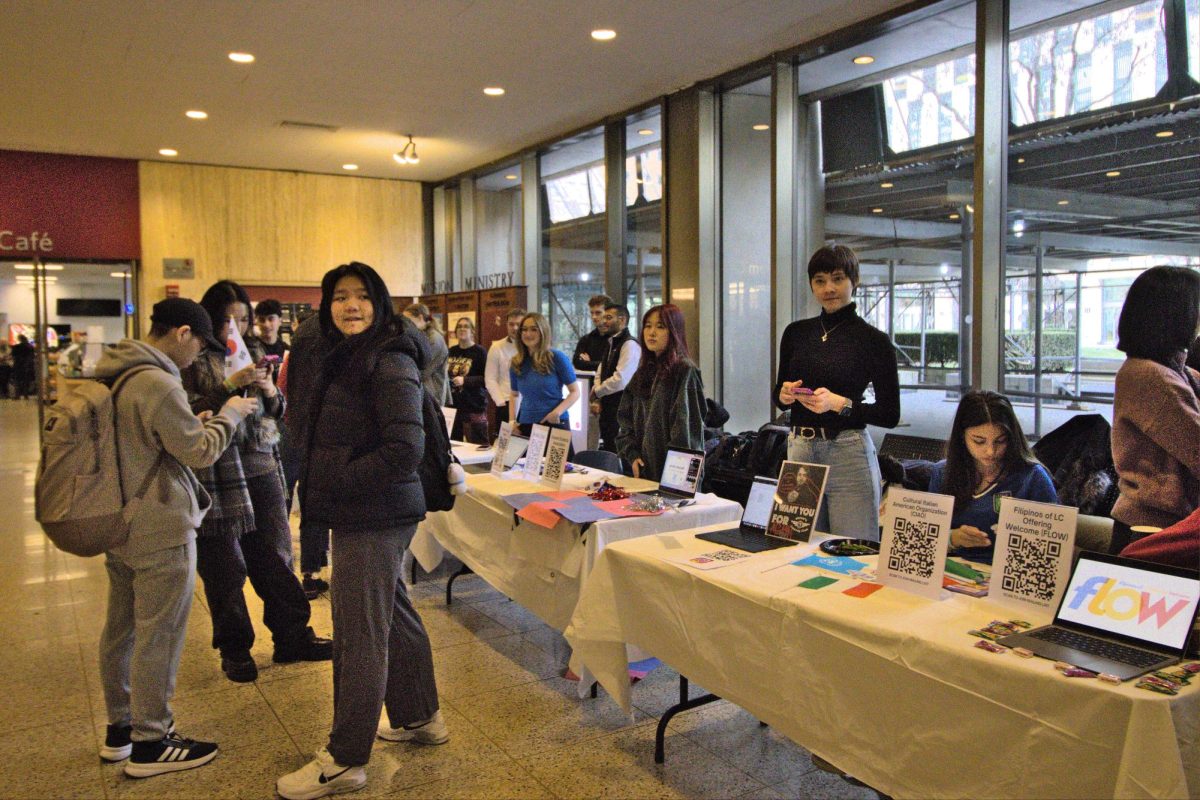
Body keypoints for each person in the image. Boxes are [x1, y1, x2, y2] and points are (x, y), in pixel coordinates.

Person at [277, 262, 445, 800]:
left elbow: (405, 448)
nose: (351, 306)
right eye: (340, 297)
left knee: (357, 633)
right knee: (388, 609)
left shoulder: (389, 356)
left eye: (362, 297)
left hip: (372, 509)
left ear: (381, 303)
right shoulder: (344, 354)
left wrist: (337, 483)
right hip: (366, 506)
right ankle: (420, 717)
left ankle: (346, 758)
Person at [94, 297, 258, 777]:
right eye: (199, 345)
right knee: (159, 633)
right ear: (182, 333)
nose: (198, 357)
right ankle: (152, 740)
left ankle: (120, 730)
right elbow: (200, 454)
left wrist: (193, 423)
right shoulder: (159, 382)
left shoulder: (115, 370)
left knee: (120, 628)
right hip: (159, 524)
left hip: (118, 519)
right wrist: (229, 414)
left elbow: (144, 440)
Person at [185, 280, 331, 684]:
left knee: (276, 555)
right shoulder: (192, 356)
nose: (237, 326)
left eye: (243, 318)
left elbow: (276, 410)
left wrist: (269, 388)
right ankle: (234, 648)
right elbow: (186, 412)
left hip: (261, 461)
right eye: (227, 319)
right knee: (224, 565)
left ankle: (291, 637)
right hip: (216, 468)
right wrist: (230, 385)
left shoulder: (254, 351)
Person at [775, 245, 900, 541]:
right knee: (795, 546)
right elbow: (777, 392)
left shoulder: (874, 341)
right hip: (800, 450)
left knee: (853, 551)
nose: (829, 288)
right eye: (819, 281)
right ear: (811, 285)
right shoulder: (795, 333)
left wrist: (841, 404)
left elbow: (890, 414)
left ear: (853, 281)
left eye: (838, 278)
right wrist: (785, 394)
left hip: (848, 452)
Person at [1110, 266, 1200, 553]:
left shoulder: (1175, 371)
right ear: (1176, 313)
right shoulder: (1147, 376)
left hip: (1165, 523)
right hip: (1151, 528)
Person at [927, 391, 1057, 564]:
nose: (990, 451)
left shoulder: (1032, 477)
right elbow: (926, 538)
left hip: (1010, 573)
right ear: (962, 436)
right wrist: (952, 538)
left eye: (1000, 441)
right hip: (954, 568)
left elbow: (1054, 546)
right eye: (979, 441)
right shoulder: (943, 473)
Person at [616, 303, 705, 480]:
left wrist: (678, 478)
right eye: (647, 326)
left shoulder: (684, 371)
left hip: (675, 475)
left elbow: (687, 431)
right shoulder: (642, 372)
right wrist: (632, 454)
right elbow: (624, 419)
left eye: (660, 326)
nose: (651, 332)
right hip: (644, 471)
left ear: (674, 331)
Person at [277, 311, 331, 598]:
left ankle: (282, 564)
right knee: (313, 501)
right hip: (316, 435)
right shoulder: (330, 359)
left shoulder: (292, 356)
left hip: (290, 430)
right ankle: (310, 571)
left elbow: (281, 390)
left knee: (284, 497)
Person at [508, 312, 580, 441]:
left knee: (558, 462)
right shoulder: (516, 362)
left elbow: (575, 392)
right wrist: (512, 421)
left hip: (554, 422)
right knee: (524, 462)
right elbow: (514, 395)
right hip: (525, 424)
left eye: (534, 329)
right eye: (524, 329)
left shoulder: (557, 357)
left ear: (543, 332)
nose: (528, 334)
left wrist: (557, 412)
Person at [591, 302, 640, 453]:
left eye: (609, 317)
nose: (604, 321)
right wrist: (598, 391)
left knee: (619, 451)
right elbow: (601, 369)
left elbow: (621, 379)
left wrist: (598, 392)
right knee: (608, 446)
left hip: (622, 408)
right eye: (604, 317)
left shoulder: (629, 344)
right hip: (608, 407)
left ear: (622, 320)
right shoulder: (611, 342)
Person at [446, 317, 488, 443]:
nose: (462, 329)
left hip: (474, 404)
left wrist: (466, 381)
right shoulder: (451, 351)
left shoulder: (480, 352)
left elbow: (487, 379)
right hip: (453, 405)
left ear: (472, 331)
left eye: (466, 326)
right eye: (459, 326)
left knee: (478, 444)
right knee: (454, 444)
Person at [484, 307, 525, 435]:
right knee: (505, 446)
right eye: (511, 324)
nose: (515, 328)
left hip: (528, 403)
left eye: (518, 324)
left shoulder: (531, 347)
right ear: (506, 325)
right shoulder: (497, 347)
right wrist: (500, 402)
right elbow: (490, 378)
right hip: (505, 402)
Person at [403, 303, 450, 405]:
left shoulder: (434, 339)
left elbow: (423, 370)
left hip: (432, 395)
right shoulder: (420, 336)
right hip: (424, 393)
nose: (405, 325)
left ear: (420, 318)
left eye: (408, 321)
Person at [572, 294, 613, 372]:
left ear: (609, 313)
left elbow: (613, 366)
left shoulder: (617, 339)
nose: (594, 317)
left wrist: (588, 363)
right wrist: (600, 364)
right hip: (589, 383)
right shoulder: (586, 339)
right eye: (592, 313)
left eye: (598, 313)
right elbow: (577, 363)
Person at [11, 334, 36, 399]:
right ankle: (26, 395)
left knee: (18, 381)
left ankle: (17, 395)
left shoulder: (16, 347)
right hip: (28, 366)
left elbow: (13, 356)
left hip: (19, 366)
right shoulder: (31, 347)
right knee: (26, 381)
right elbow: (33, 356)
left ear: (19, 339)